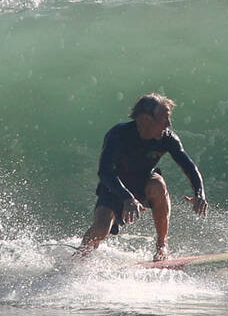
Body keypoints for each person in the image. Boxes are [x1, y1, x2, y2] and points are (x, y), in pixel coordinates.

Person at [80, 93, 208, 260]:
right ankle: (79, 259)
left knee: (158, 185)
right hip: (114, 188)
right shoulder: (118, 135)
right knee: (101, 229)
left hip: (144, 183)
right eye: (164, 118)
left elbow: (189, 167)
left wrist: (200, 194)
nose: (168, 124)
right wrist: (127, 198)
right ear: (146, 119)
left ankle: (162, 245)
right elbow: (105, 172)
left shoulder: (167, 138)